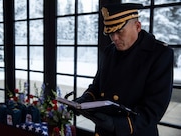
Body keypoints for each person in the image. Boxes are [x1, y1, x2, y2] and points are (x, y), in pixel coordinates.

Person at [73, 3, 174, 136]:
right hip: (104, 131)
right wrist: (84, 100)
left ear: (137, 26)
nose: (114, 38)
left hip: (135, 132)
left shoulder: (160, 54)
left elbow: (154, 109)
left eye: (120, 31)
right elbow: (97, 86)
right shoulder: (110, 51)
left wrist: (118, 124)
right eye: (110, 33)